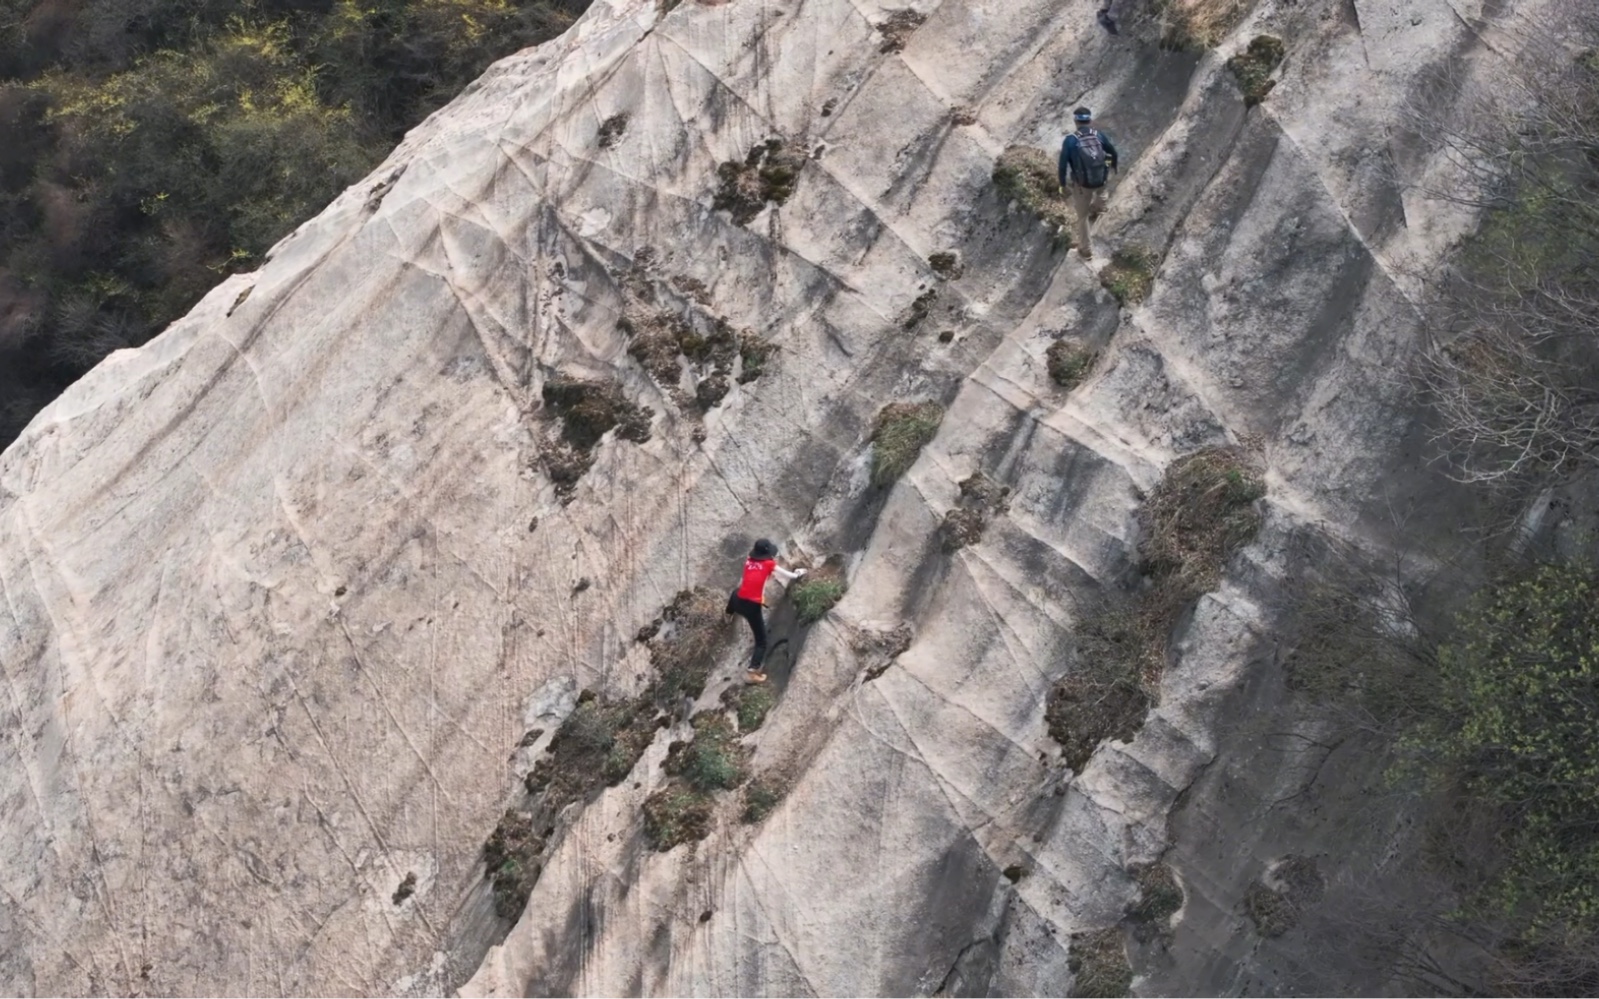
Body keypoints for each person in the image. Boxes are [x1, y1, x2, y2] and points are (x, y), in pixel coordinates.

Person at [725, 538, 805, 684]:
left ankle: (728, 614)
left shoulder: (749, 561)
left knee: (735, 592)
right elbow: (791, 576)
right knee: (761, 641)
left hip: (738, 601)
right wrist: (799, 572)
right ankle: (752, 672)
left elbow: (754, 576)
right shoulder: (769, 564)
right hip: (751, 606)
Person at [1057, 107, 1120, 260]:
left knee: (1082, 217)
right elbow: (1113, 153)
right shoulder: (1098, 135)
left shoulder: (1071, 140)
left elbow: (1063, 165)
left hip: (1082, 185)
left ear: (1075, 121)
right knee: (1102, 193)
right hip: (1101, 179)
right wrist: (1110, 167)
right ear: (1090, 120)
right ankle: (1099, 208)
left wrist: (1062, 184)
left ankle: (1086, 250)